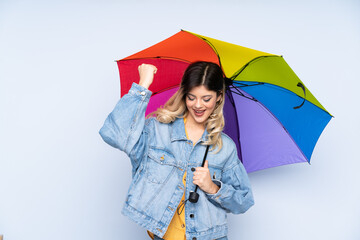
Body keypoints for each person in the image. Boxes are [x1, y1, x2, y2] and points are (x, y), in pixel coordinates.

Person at [99, 61, 254, 240]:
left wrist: (212, 187)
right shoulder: (158, 130)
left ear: (218, 97)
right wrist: (143, 85)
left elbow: (244, 201)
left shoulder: (224, 147)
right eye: (191, 97)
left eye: (206, 98)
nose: (198, 105)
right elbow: (114, 134)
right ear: (184, 94)